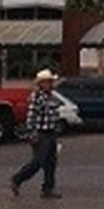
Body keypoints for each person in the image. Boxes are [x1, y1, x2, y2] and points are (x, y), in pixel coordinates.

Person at [10, 69, 63, 199]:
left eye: (51, 82)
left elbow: (56, 110)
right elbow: (31, 117)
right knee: (38, 161)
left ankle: (48, 189)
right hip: (41, 133)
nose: (51, 84)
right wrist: (33, 134)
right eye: (49, 82)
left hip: (50, 132)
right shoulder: (37, 97)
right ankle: (17, 179)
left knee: (51, 163)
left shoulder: (50, 96)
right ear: (42, 83)